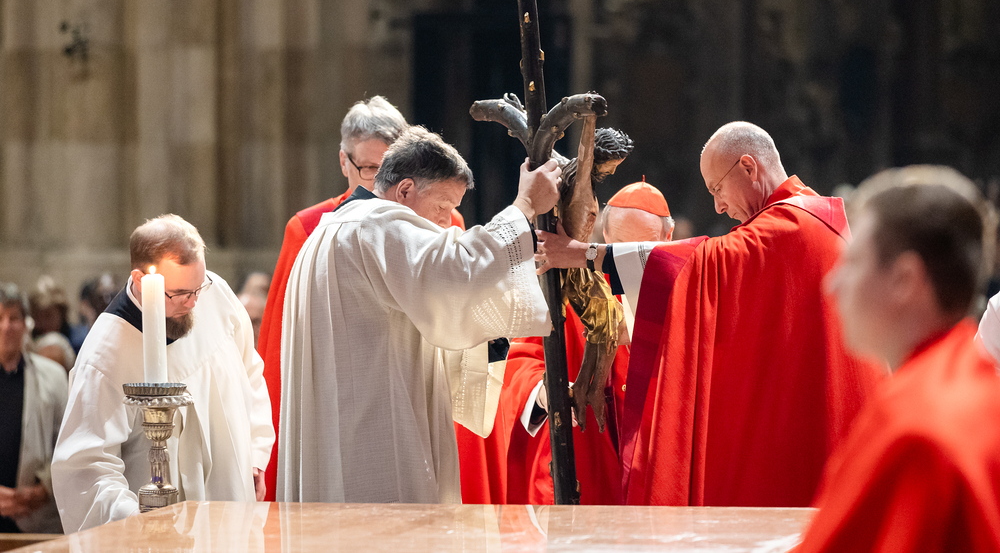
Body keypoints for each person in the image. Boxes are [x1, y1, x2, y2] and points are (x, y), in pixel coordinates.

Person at [537, 121, 884, 506]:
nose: (718, 206)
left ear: (748, 167)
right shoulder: (811, 217)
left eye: (717, 189)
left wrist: (581, 254)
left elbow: (697, 263)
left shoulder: (789, 226)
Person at [278, 126, 560, 504]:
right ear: (405, 190)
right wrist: (524, 207)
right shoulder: (377, 225)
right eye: (443, 207)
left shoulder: (330, 230)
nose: (446, 222)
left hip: (338, 425)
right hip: (371, 434)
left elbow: (429, 305)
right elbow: (459, 271)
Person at [257, 96, 467, 500]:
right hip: (342, 397)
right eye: (370, 168)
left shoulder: (441, 218)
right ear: (344, 162)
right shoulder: (310, 226)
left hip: (413, 388)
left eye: (388, 167)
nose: (377, 182)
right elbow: (282, 341)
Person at [798, 166, 1000, 552]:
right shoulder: (967, 379)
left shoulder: (916, 430)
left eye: (852, 262)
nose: (832, 283)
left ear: (905, 280)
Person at [51, 215, 274, 532]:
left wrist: (255, 456)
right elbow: (86, 469)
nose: (193, 303)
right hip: (166, 533)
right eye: (180, 293)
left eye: (198, 287)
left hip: (235, 514)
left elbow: (250, 371)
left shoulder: (216, 295)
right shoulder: (105, 355)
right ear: (141, 280)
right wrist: (138, 522)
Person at [505, 179, 674, 505]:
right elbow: (523, 359)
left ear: (669, 238)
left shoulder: (687, 290)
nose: (628, 257)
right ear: (605, 236)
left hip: (659, 460)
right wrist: (548, 391)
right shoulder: (577, 290)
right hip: (592, 461)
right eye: (620, 246)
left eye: (643, 247)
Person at [0, 284, 66, 534]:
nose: (6, 326)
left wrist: (44, 489)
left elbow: (67, 441)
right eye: (0, 318)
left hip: (35, 515)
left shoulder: (54, 376)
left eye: (14, 318)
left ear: (26, 324)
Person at [27, 277, 76, 372]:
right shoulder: (29, 337)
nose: (42, 322)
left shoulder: (55, 342)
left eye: (48, 315)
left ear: (61, 314)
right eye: (37, 315)